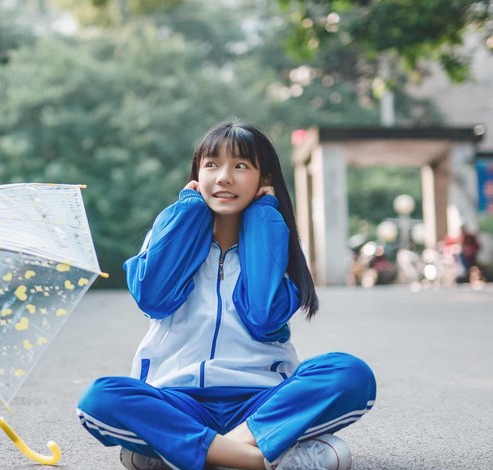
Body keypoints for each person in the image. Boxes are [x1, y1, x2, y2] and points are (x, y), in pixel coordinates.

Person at [77, 121, 376, 470]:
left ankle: (192, 452)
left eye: (240, 166)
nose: (224, 177)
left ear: (264, 178)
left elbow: (263, 316)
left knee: (350, 373)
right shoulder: (169, 232)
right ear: (196, 175)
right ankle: (259, 458)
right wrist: (188, 213)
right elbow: (154, 299)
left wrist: (264, 219)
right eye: (211, 165)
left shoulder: (278, 242)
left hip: (261, 402)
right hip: (178, 401)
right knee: (100, 397)